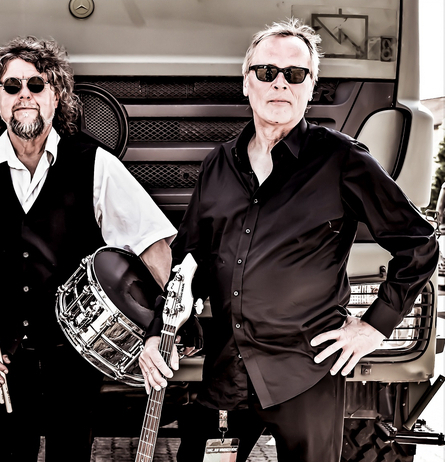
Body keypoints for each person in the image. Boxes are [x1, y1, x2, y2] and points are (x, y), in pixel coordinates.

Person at [139, 18, 438, 462]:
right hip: (226, 370)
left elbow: (419, 243)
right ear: (247, 82)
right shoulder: (218, 165)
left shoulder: (342, 159)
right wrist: (157, 332)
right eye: (266, 72)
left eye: (295, 74)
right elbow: (188, 261)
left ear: (310, 87)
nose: (280, 83)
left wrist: (374, 326)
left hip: (307, 373)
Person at [0, 36, 177, 461]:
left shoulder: (96, 163)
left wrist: (161, 325)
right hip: (3, 360)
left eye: (37, 85)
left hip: (76, 358)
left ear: (56, 97)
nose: (24, 95)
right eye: (12, 86)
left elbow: (152, 244)